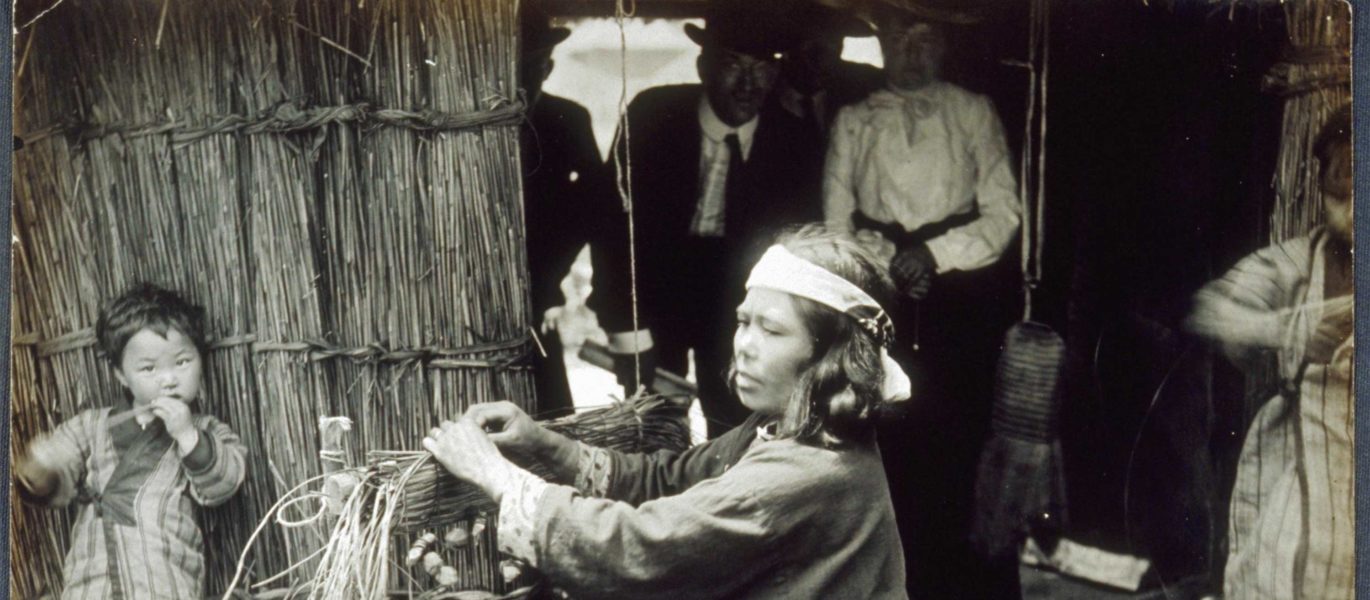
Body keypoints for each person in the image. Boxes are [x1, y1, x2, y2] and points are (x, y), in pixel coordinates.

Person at [425, 225, 912, 599]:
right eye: (744, 322)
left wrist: (495, 474)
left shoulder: (802, 473)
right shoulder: (781, 431)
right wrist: (544, 444)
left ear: (830, 355)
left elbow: (636, 547)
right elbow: (672, 479)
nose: (744, 346)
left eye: (772, 330)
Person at [821, 1, 1022, 596]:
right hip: (879, 294)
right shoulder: (854, 119)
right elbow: (834, 221)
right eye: (899, 36)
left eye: (925, 38)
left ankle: (957, 582)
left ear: (944, 45)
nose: (912, 51)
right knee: (886, 438)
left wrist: (935, 256)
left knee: (954, 442)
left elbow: (1004, 212)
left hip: (958, 297)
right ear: (879, 41)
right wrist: (890, 264)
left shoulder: (972, 112)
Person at [594, 0, 825, 438]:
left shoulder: (793, 139)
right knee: (650, 430)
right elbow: (611, 231)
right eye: (733, 65)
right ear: (703, 67)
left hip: (738, 305)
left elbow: (799, 250)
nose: (748, 84)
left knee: (738, 431)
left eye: (762, 69)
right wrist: (628, 333)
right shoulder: (651, 118)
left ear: (776, 75)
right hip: (658, 295)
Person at [1184, 105, 1353, 600]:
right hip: (1306, 463)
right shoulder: (1296, 262)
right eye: (1340, 192)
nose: (1353, 209)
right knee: (1283, 565)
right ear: (1321, 186)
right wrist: (1291, 332)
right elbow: (1209, 309)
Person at [15, 283, 248, 599]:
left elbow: (224, 483)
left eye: (182, 362)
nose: (168, 379)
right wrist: (41, 468)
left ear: (200, 360)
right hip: (91, 585)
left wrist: (187, 435)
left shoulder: (206, 431)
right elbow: (60, 463)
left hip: (164, 585)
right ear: (122, 375)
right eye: (149, 368)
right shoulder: (91, 426)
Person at [518, 5, 619, 417]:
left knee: (549, 410)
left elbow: (597, 209)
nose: (523, 79)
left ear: (549, 67)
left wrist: (546, 274)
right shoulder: (461, 124)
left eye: (535, 66)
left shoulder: (566, 120)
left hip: (540, 280)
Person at [769, 0, 883, 138]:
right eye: (813, 48)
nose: (827, 59)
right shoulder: (762, 97)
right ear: (789, 50)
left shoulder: (859, 89)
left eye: (836, 45)